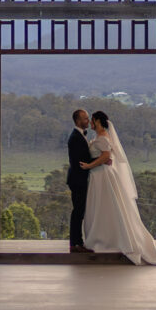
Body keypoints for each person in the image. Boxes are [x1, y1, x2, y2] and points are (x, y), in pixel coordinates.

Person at [81, 110, 156, 266]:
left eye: (92, 120)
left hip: (102, 176)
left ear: (98, 122)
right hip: (99, 175)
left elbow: (106, 156)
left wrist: (89, 165)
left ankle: (106, 239)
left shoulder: (102, 139)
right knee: (104, 207)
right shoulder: (100, 138)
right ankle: (104, 236)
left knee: (104, 206)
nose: (91, 123)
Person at [66, 108, 95, 252]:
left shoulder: (79, 135)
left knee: (80, 211)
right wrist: (100, 159)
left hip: (79, 178)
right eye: (85, 119)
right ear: (78, 121)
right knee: (78, 211)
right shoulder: (75, 137)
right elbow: (81, 161)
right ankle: (75, 244)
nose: (88, 121)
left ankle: (77, 242)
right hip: (77, 179)